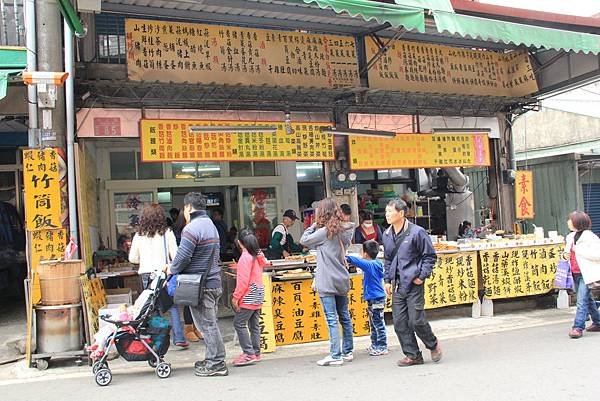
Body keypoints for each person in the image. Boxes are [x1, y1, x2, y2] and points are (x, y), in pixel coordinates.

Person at [168, 192, 227, 377]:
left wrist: (171, 268)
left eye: (184, 209)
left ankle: (217, 363)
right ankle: (212, 358)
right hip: (213, 282)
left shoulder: (191, 228)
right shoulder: (210, 225)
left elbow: (183, 256)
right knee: (210, 323)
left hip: (202, 284)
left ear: (188, 208)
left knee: (207, 325)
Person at [382, 198, 442, 367]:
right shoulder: (387, 234)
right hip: (397, 284)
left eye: (390, 211)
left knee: (416, 320)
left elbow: (429, 256)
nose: (387, 215)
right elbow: (387, 259)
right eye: (386, 211)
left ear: (401, 213)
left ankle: (433, 344)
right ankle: (413, 355)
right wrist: (387, 280)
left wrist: (421, 276)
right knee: (400, 322)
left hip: (414, 283)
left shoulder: (417, 232)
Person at [301, 198, 355, 366]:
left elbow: (304, 240)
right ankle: (347, 351)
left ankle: (335, 354)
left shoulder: (324, 232)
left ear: (322, 213)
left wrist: (314, 225)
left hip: (327, 280)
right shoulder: (346, 229)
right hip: (342, 278)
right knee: (344, 316)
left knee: (331, 319)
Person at [128, 204, 188, 349]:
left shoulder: (139, 235)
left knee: (151, 308)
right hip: (163, 274)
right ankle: (179, 338)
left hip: (146, 275)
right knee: (172, 306)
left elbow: (132, 258)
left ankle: (157, 341)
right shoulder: (167, 233)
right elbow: (175, 256)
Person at [231, 229, 268, 366]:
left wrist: (236, 297)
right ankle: (256, 352)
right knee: (254, 324)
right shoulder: (257, 255)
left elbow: (243, 282)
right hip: (258, 293)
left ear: (240, 243)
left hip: (249, 294)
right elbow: (265, 262)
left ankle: (248, 353)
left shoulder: (245, 258)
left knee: (239, 323)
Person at [346, 240, 388, 356]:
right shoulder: (377, 263)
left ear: (365, 253)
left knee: (378, 323)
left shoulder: (370, 265)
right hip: (374, 298)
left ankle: (382, 346)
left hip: (376, 298)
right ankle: (375, 344)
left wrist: (342, 255)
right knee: (374, 323)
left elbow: (354, 260)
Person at [563, 211, 600, 339]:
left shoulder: (591, 238)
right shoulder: (570, 237)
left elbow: (597, 255)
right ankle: (598, 322)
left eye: (570, 220)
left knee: (581, 300)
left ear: (577, 222)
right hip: (574, 272)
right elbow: (567, 252)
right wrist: (564, 255)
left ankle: (578, 327)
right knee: (587, 299)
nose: (568, 222)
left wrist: (577, 250)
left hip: (586, 273)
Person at [171, 211, 202, 343]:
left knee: (197, 300)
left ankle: (196, 327)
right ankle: (188, 328)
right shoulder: (179, 234)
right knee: (189, 300)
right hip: (185, 270)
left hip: (195, 268)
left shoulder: (194, 231)